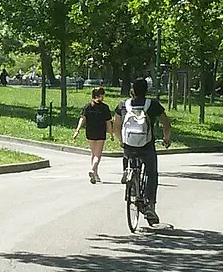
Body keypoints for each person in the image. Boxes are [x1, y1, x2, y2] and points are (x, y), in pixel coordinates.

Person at [115, 77, 170, 223]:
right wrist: (166, 138)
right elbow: (166, 123)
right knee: (152, 174)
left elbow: (116, 125)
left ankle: (130, 181)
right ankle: (150, 205)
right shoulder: (152, 105)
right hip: (147, 146)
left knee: (129, 159)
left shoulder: (123, 105)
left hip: (129, 146)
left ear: (132, 90)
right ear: (146, 90)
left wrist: (121, 140)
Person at [73, 87, 114, 184]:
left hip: (90, 132)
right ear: (100, 95)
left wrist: (77, 130)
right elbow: (108, 123)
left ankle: (95, 175)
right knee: (98, 155)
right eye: (103, 94)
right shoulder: (105, 107)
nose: (104, 96)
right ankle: (92, 169)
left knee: (93, 153)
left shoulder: (87, 106)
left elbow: (82, 119)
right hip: (100, 133)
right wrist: (111, 134)